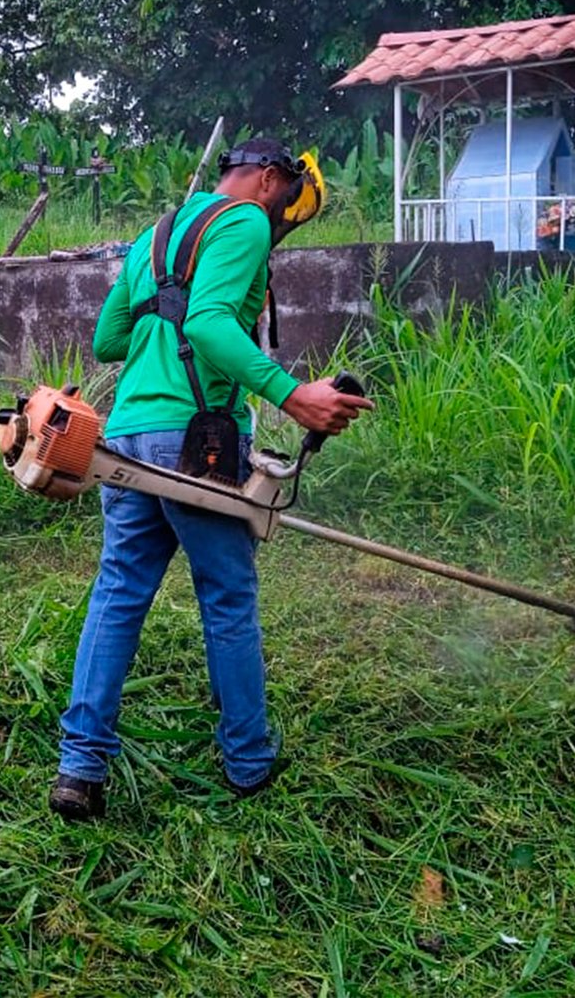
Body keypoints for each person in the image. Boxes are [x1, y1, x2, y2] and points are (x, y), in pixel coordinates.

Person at [50, 138, 374, 821]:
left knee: (118, 591)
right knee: (226, 596)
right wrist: (292, 394)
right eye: (285, 198)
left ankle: (79, 769)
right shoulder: (245, 219)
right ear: (264, 178)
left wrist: (159, 319)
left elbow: (110, 340)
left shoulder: (157, 234)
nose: (282, 215)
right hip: (198, 435)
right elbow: (208, 322)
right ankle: (248, 762)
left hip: (128, 432)